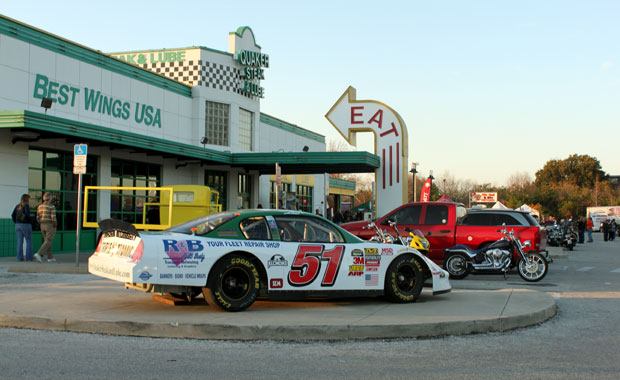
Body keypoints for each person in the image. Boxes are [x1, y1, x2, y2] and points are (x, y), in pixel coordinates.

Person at [34, 192, 57, 263]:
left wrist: (40, 222)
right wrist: (55, 224)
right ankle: (39, 254)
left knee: (46, 241)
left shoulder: (39, 206)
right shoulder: (51, 206)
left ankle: (50, 257)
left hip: (42, 224)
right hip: (49, 225)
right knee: (49, 240)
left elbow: (37, 217)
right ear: (50, 198)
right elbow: (53, 217)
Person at [11, 194, 33, 261]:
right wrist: (31, 220)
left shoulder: (17, 206)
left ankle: (19, 257)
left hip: (18, 225)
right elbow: (27, 215)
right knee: (28, 241)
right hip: (26, 225)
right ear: (27, 199)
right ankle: (29, 257)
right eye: (29, 199)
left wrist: (16, 222)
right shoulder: (26, 205)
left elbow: (12, 215)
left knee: (20, 241)